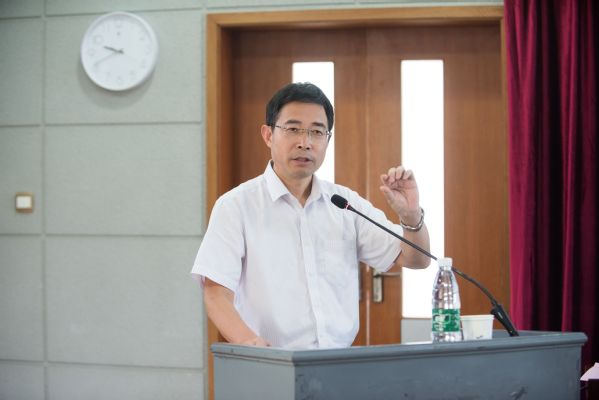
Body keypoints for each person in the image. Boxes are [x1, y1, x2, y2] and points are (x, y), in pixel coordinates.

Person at [191, 82, 431, 349]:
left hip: (337, 362)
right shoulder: (236, 206)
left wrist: (411, 216)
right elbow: (216, 291)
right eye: (293, 129)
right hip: (270, 361)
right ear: (268, 135)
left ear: (327, 139)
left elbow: (416, 259)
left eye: (316, 132)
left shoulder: (344, 204)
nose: (304, 143)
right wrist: (250, 343)